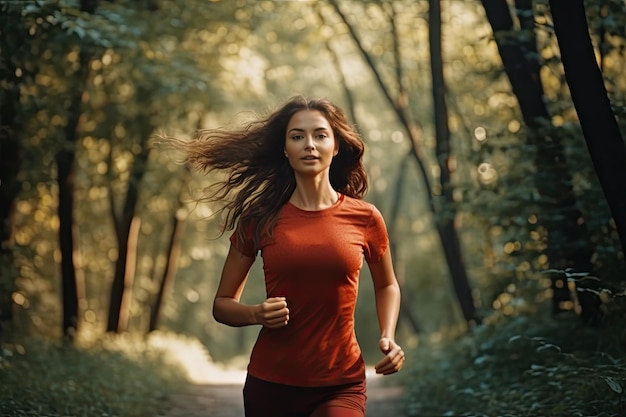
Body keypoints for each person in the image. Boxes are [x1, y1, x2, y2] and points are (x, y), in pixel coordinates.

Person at [178, 96, 404, 417]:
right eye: (297, 136)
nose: (309, 144)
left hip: (341, 382)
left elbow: (387, 285)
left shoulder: (365, 217)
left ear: (336, 146)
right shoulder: (259, 219)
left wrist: (388, 336)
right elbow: (222, 304)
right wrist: (256, 313)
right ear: (285, 149)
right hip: (271, 385)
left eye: (320, 135)